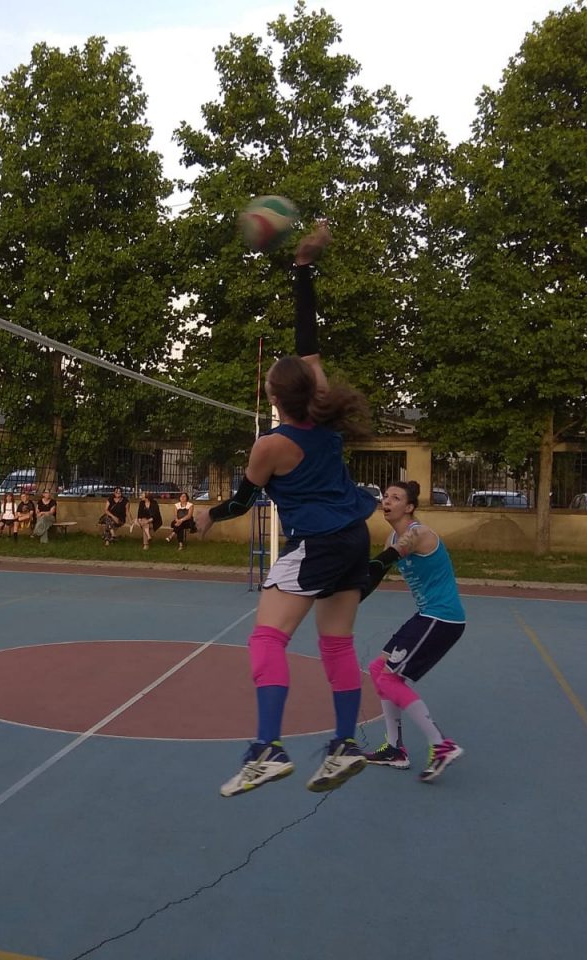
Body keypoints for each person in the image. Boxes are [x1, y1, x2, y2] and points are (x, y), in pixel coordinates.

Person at [195, 219, 377, 798]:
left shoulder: (270, 446)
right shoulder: (322, 411)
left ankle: (267, 750)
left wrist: (206, 516)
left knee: (266, 640)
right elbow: (309, 342)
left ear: (275, 397)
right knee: (336, 644)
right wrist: (302, 268)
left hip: (318, 543)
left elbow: (241, 501)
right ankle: (344, 744)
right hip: (354, 537)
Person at [361, 482, 467, 782]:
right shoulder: (392, 537)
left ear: (409, 507)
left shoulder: (417, 534)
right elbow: (375, 574)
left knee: (390, 678)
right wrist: (352, 598)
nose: (386, 501)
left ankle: (442, 745)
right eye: (385, 496)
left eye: (395, 498)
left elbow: (390, 556)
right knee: (378, 668)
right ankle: (395, 749)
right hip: (426, 615)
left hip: (442, 617)